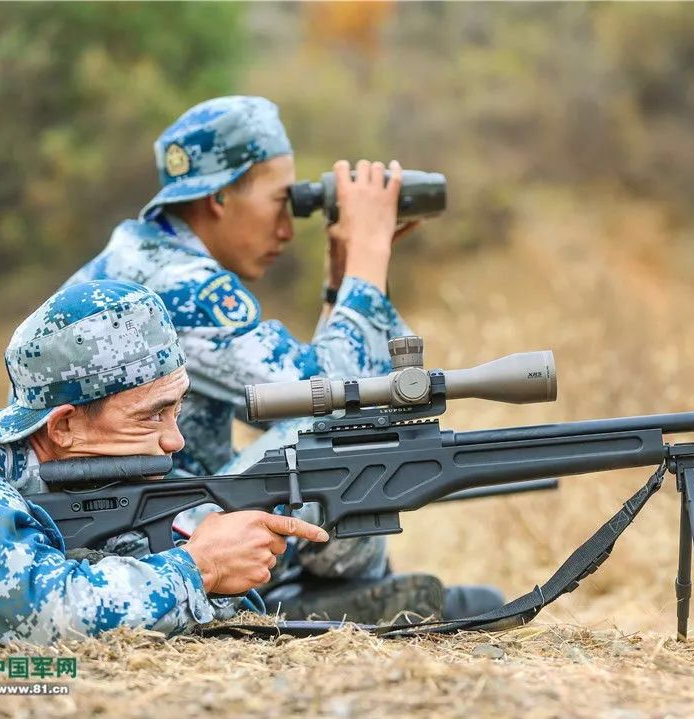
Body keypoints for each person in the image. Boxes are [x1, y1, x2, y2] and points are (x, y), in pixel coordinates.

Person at [61, 96, 502, 622]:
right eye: (280, 201)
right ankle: (334, 599)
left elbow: (304, 394)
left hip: (119, 524)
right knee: (328, 448)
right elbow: (328, 406)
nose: (289, 230)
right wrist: (367, 261)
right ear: (220, 197)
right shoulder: (181, 288)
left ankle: (319, 598)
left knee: (320, 443)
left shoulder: (139, 260)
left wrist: (343, 286)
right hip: (136, 551)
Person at [0, 280, 330, 645]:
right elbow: (47, 617)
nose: (174, 440)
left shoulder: (96, 475)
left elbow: (184, 598)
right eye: (151, 414)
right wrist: (201, 566)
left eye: (176, 409)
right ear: (64, 426)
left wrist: (224, 574)